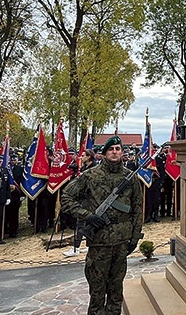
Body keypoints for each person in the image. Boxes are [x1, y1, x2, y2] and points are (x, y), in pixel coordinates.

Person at [61, 135, 143, 315]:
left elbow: (137, 209)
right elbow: (66, 197)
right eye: (111, 149)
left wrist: (135, 237)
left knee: (116, 289)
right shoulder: (91, 175)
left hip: (122, 241)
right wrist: (87, 216)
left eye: (118, 149)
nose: (114, 152)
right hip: (99, 241)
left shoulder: (130, 178)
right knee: (97, 291)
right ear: (105, 153)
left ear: (122, 152)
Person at [63, 148, 97, 257]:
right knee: (82, 222)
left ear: (89, 157)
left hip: (90, 199)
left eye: (83, 155)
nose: (81, 157)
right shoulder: (83, 167)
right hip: (83, 198)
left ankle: (76, 248)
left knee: (82, 222)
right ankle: (86, 245)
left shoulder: (94, 168)